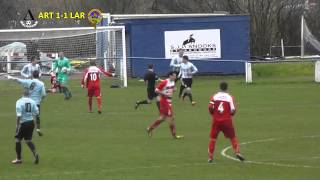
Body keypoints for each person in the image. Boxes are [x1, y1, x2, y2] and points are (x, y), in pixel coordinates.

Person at [207, 81, 245, 163]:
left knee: (213, 139)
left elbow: (210, 107)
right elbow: (233, 110)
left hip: (216, 120)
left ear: (219, 87)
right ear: (227, 88)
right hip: (227, 120)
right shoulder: (230, 97)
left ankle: (210, 157)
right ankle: (237, 152)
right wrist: (230, 114)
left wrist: (213, 114)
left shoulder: (215, 96)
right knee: (232, 137)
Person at [8, 70, 46, 136]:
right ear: (38, 76)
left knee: (23, 117)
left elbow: (19, 80)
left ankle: (18, 130)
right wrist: (40, 99)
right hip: (36, 103)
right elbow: (44, 94)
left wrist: (10, 77)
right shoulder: (41, 83)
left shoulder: (29, 81)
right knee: (37, 116)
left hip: (28, 102)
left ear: (32, 75)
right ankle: (38, 129)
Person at [146, 71, 183, 139]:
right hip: (164, 101)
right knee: (171, 118)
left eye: (175, 76)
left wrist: (173, 89)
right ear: (170, 76)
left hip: (169, 101)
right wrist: (164, 93)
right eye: (174, 76)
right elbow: (156, 90)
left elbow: (172, 89)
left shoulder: (173, 82)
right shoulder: (165, 82)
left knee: (163, 118)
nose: (175, 77)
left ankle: (150, 128)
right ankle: (174, 135)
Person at [11, 89, 40, 164]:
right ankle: (35, 153)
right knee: (28, 140)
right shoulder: (32, 101)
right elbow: (37, 112)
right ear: (29, 94)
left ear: (22, 94)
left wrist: (17, 125)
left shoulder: (19, 101)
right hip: (31, 122)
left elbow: (19, 115)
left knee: (17, 140)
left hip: (23, 123)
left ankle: (18, 159)